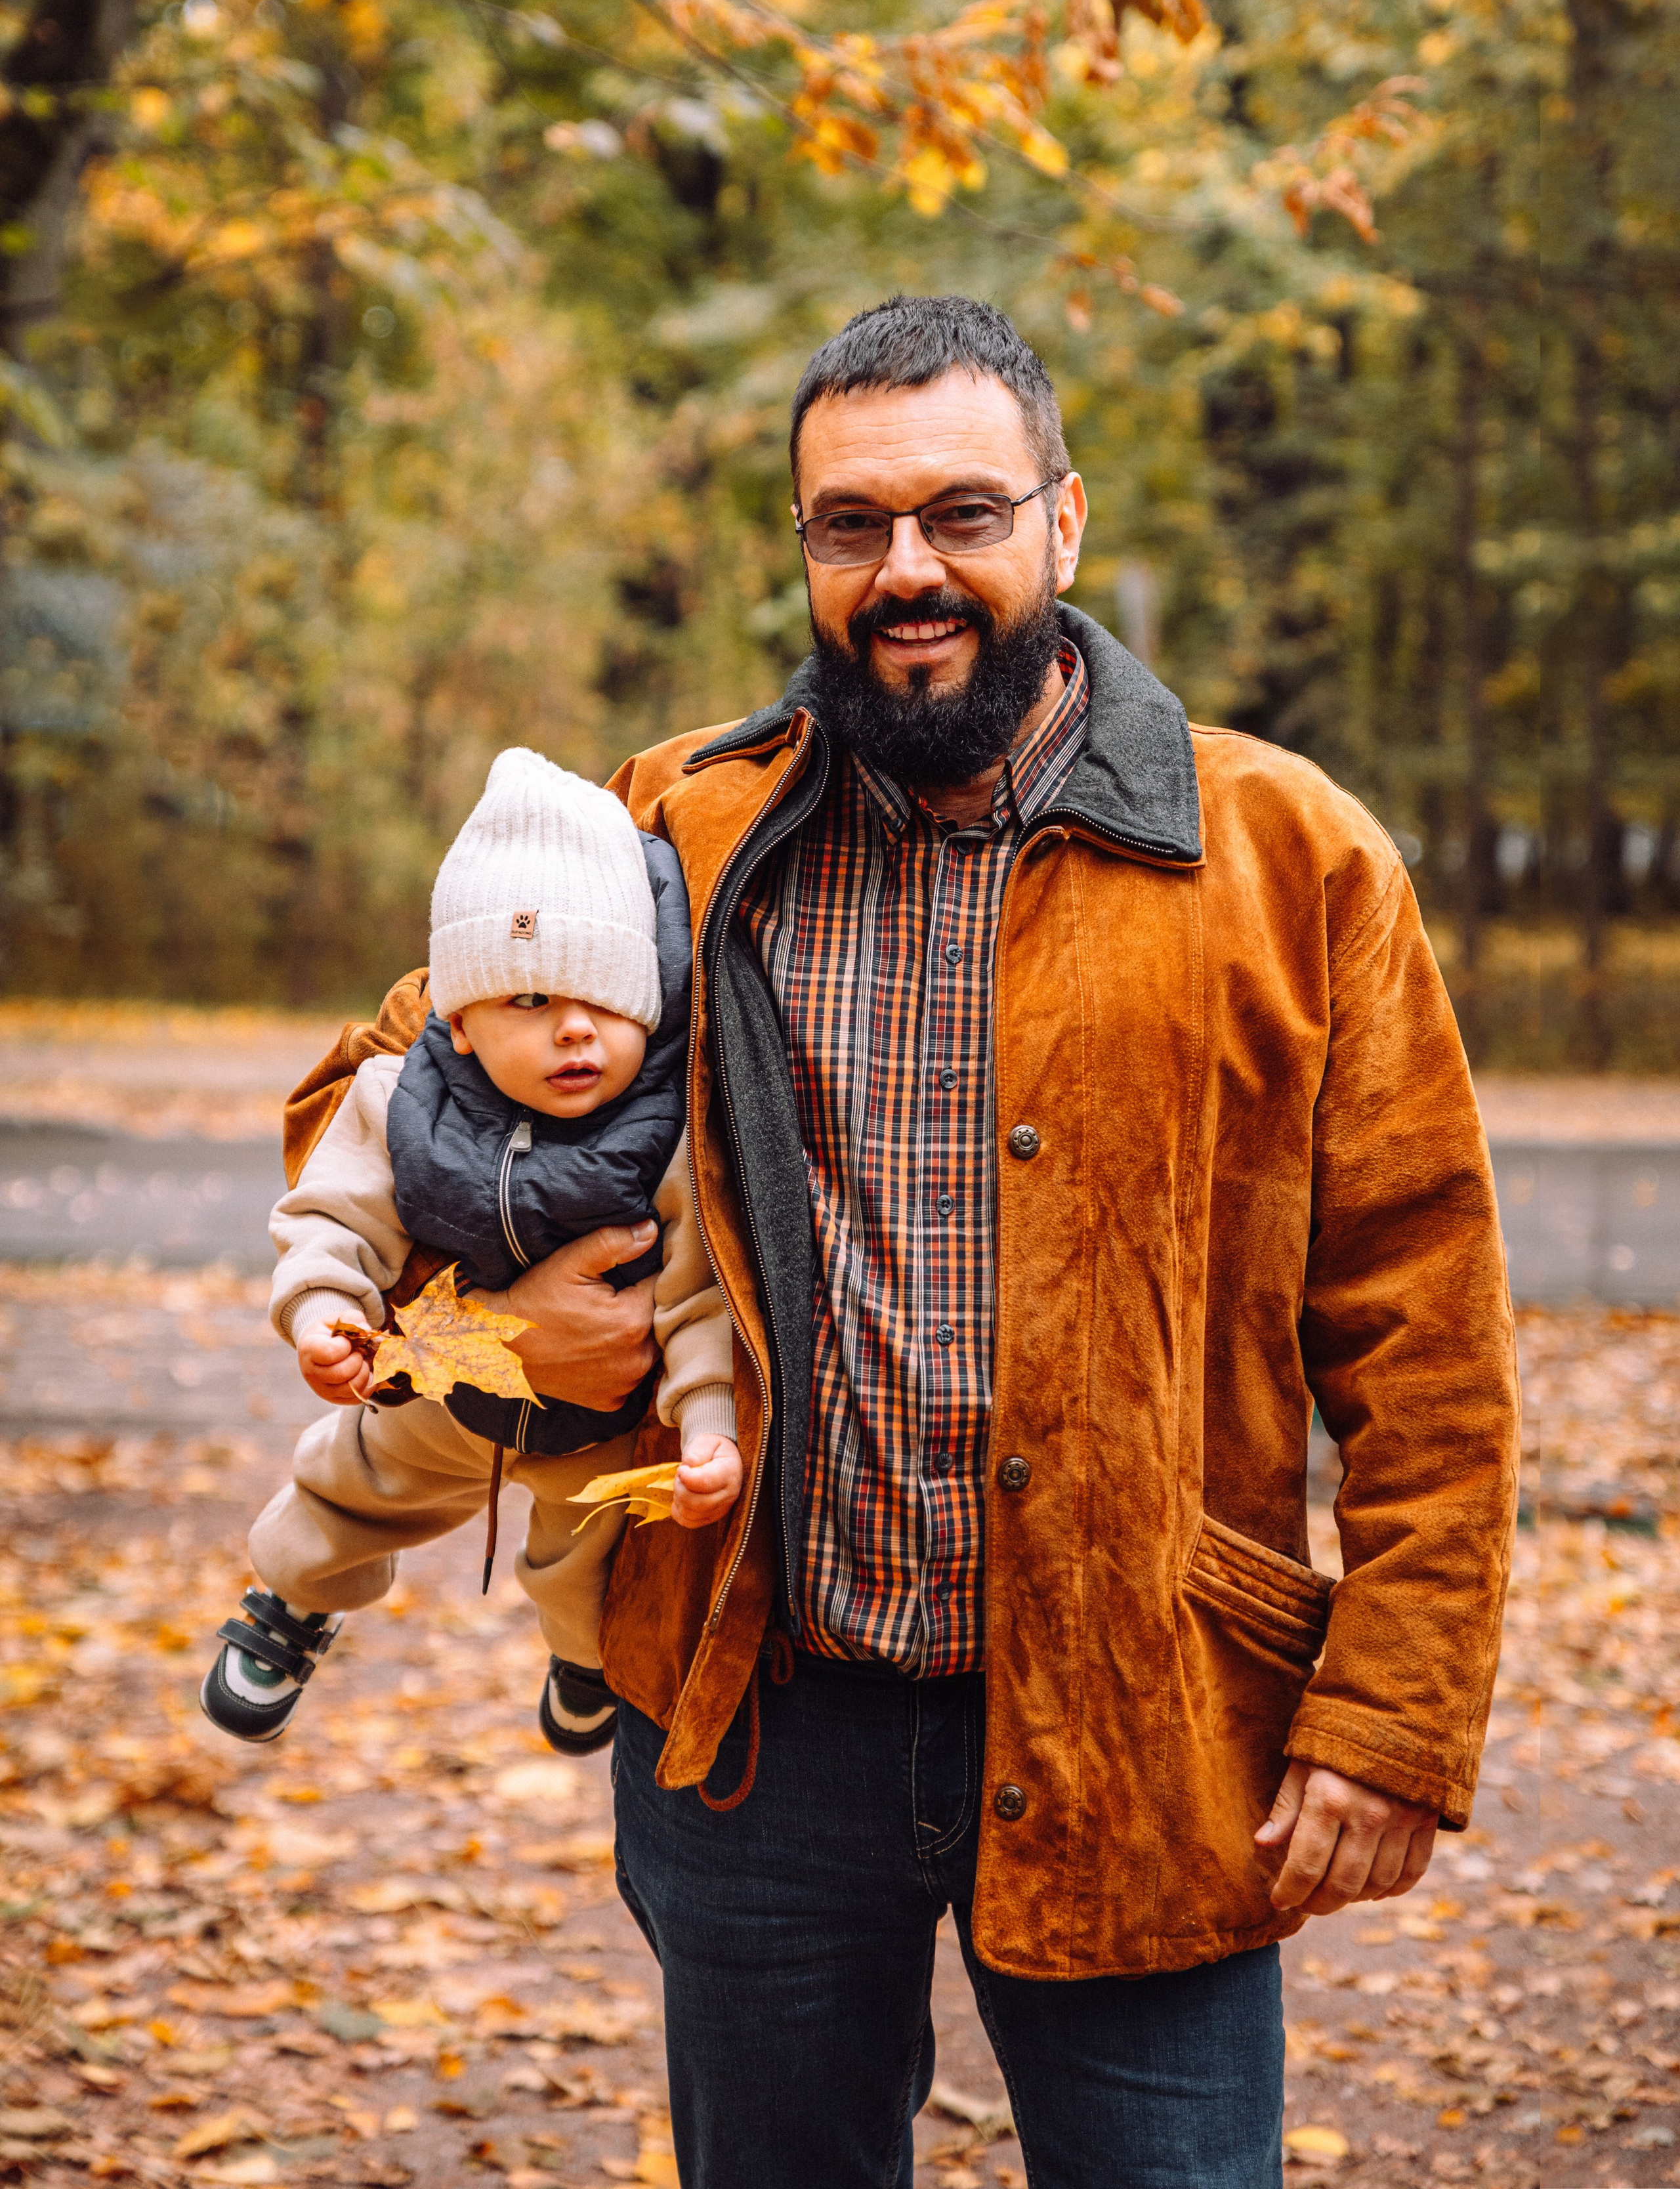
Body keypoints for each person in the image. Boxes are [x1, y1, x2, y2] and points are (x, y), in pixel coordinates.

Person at [309, 293, 1520, 2189]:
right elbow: (370, 1105)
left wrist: (1392, 1716)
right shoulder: (672, 835)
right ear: (804, 547)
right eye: (850, 526)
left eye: (961, 512)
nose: (907, 571)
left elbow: (1427, 1330)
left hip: (1146, 1720)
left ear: (1065, 522)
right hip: (760, 1728)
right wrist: (488, 1339)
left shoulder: (1289, 858)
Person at [198, 748, 741, 1754]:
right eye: (529, 1003)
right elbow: (331, 1219)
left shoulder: (669, 1133)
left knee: (588, 1559)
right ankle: (296, 1597)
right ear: (461, 1017)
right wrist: (324, 1317)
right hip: (448, 1390)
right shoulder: (402, 1100)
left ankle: (586, 1660)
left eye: (605, 1001)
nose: (575, 1031)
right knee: (352, 1481)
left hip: (599, 1427)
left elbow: (702, 1299)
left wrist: (710, 1430)